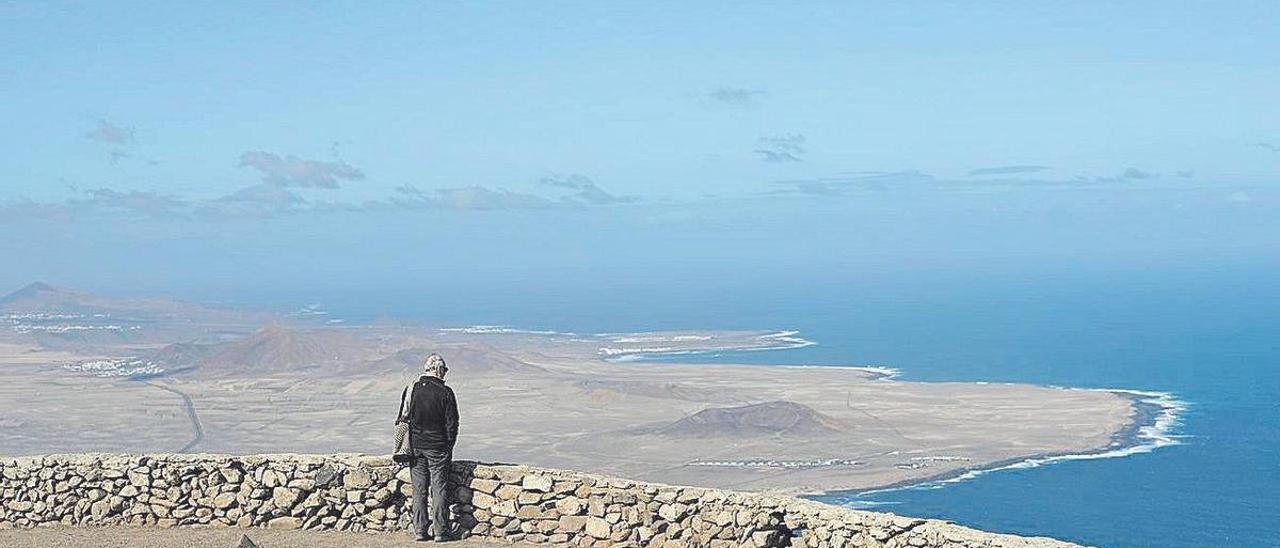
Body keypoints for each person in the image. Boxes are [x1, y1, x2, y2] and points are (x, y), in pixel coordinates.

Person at [399, 353, 459, 542]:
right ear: (439, 369)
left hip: (416, 448)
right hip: (438, 448)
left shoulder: (411, 389)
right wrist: (448, 445)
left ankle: (420, 530)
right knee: (439, 489)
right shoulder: (446, 393)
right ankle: (440, 531)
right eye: (445, 370)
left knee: (419, 490)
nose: (445, 373)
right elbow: (452, 423)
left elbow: (402, 418)